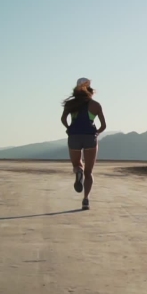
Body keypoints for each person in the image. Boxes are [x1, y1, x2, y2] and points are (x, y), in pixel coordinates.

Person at [61, 77, 107, 210]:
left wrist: (69, 128)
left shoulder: (70, 104)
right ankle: (86, 200)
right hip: (90, 137)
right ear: (90, 89)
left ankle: (78, 172)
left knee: (77, 164)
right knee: (89, 172)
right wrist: (96, 133)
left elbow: (63, 119)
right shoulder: (95, 105)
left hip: (74, 136)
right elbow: (103, 125)